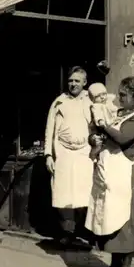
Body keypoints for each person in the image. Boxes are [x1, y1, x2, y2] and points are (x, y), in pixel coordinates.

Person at [85, 76, 134, 267]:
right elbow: (96, 134)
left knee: (122, 222)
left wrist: (103, 125)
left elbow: (122, 139)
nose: (119, 98)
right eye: (119, 94)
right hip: (105, 172)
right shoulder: (118, 114)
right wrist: (94, 138)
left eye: (124, 95)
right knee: (107, 220)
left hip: (121, 173)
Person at [44, 66, 94, 246]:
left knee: (84, 191)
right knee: (64, 194)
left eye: (77, 81)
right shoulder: (59, 101)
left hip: (85, 152)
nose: (73, 84)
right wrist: (49, 155)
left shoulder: (92, 100)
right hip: (63, 153)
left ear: (85, 82)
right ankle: (68, 233)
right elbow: (50, 129)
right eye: (71, 80)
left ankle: (85, 231)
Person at [87, 83, 118, 160]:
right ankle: (93, 156)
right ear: (93, 99)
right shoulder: (96, 106)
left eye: (104, 94)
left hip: (110, 124)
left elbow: (114, 109)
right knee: (99, 143)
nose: (102, 97)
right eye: (98, 96)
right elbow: (97, 115)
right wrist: (100, 121)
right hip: (100, 128)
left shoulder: (108, 103)